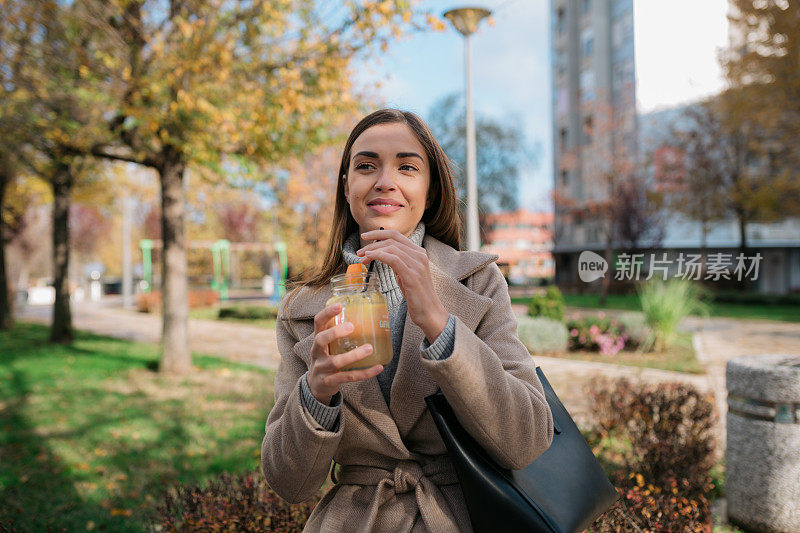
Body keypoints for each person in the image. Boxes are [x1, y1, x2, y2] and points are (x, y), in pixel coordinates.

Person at [261, 109, 554, 532]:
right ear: (346, 188)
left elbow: (527, 441)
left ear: (430, 190)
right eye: (365, 166)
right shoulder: (302, 308)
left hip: (460, 517)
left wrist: (438, 321)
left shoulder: (479, 281)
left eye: (407, 167)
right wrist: (316, 392)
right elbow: (289, 483)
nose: (384, 180)